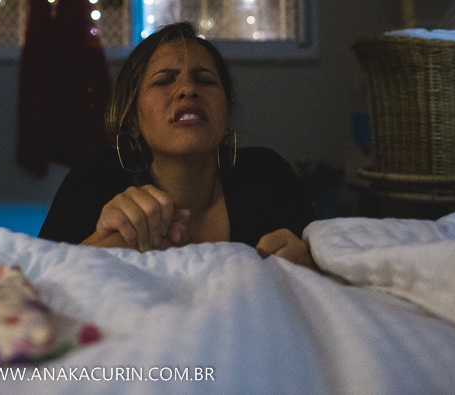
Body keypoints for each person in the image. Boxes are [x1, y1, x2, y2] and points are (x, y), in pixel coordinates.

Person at [38, 22, 318, 269]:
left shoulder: (268, 177)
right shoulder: (94, 178)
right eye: (163, 81)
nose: (188, 90)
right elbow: (33, 284)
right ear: (133, 120)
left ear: (227, 112)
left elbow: (325, 280)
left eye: (205, 80)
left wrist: (309, 265)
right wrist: (104, 244)